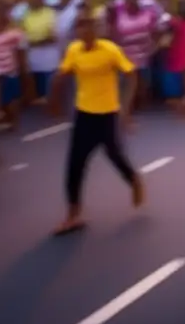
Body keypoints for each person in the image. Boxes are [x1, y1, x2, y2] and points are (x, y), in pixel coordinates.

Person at [51, 16, 145, 236]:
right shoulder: (74, 50)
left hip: (107, 114)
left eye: (89, 28)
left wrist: (126, 109)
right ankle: (73, 215)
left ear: (96, 30)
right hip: (83, 114)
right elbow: (63, 74)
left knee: (114, 155)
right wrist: (53, 100)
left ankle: (134, 180)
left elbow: (131, 76)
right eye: (80, 29)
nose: (85, 33)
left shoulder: (110, 50)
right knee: (75, 164)